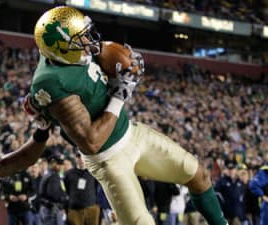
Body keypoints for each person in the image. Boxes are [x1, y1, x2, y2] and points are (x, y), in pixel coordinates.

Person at [28, 5, 228, 225]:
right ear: (62, 48)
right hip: (108, 158)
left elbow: (104, 61)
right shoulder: (54, 81)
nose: (88, 42)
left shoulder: (64, 54)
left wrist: (122, 65)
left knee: (198, 175)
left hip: (131, 133)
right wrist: (120, 94)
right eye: (80, 39)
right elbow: (92, 142)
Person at [64, 152, 100, 225]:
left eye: (82, 156)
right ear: (75, 158)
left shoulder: (92, 172)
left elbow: (96, 186)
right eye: (78, 157)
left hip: (91, 208)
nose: (80, 159)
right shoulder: (69, 173)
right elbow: (67, 188)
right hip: (75, 210)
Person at [38, 153, 68, 225]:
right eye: (59, 164)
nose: (61, 166)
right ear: (53, 163)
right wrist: (65, 198)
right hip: (51, 209)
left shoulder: (47, 174)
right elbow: (53, 194)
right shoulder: (53, 175)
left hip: (45, 208)